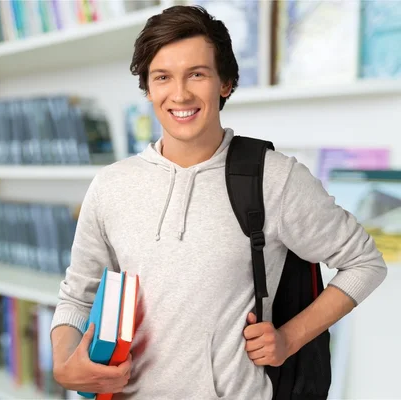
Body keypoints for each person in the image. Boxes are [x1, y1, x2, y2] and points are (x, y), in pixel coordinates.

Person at [49, 5, 387, 399]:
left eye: (197, 74)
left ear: (225, 83)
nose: (179, 94)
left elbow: (364, 263)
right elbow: (77, 295)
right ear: (148, 88)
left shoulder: (275, 178)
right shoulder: (110, 185)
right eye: (163, 77)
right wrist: (63, 363)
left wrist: (289, 339)